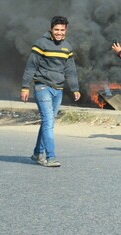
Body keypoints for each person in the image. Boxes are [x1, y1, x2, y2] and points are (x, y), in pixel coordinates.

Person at [20, 16, 81, 167]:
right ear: (51, 29)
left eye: (62, 30)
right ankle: (51, 157)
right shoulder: (41, 44)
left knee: (48, 122)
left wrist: (75, 88)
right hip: (42, 87)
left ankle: (36, 153)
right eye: (56, 30)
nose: (59, 33)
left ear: (66, 30)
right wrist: (25, 87)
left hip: (58, 89)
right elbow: (31, 66)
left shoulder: (67, 47)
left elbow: (70, 70)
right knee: (48, 122)